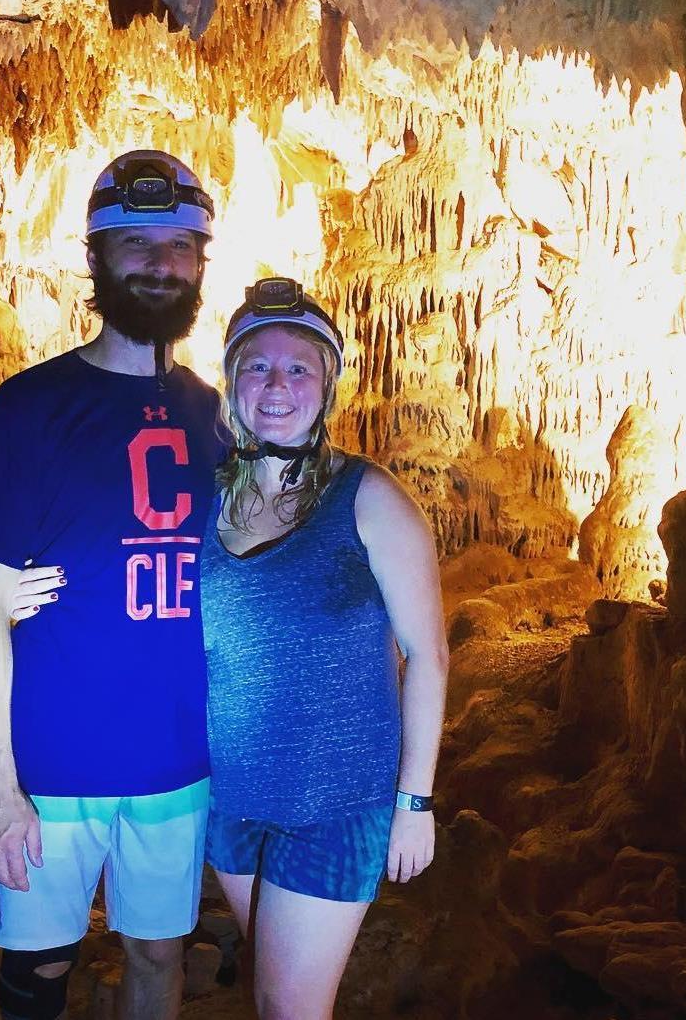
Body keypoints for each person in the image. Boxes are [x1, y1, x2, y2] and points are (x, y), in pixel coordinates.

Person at [0, 149, 228, 1020]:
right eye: (136, 244)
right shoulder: (29, 407)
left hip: (179, 763)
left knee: (157, 954)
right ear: (96, 256)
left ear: (199, 263)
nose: (159, 263)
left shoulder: (217, 415)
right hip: (51, 764)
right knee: (38, 970)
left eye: (180, 246)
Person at [200, 278, 449, 1019]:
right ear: (233, 381)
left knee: (291, 1009)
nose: (276, 386)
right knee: (266, 991)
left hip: (337, 804)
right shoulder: (209, 502)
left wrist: (416, 802)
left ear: (327, 385)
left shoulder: (369, 499)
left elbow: (429, 656)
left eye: (298, 368)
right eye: (257, 366)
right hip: (231, 800)